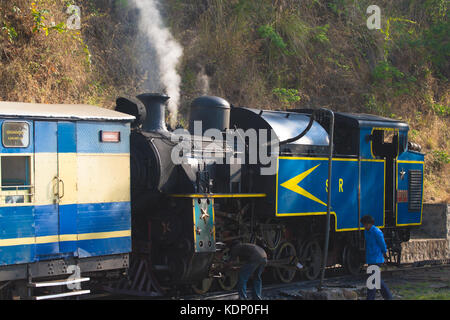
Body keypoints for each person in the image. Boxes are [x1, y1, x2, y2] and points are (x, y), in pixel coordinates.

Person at [361, 215, 393, 300]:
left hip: (376, 258)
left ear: (369, 224)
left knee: (372, 280)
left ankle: (370, 298)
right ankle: (388, 297)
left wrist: (384, 252)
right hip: (370, 258)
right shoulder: (366, 231)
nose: (364, 226)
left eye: (365, 224)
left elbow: (382, 244)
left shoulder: (376, 232)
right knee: (376, 280)